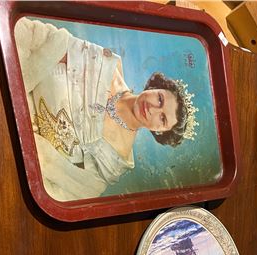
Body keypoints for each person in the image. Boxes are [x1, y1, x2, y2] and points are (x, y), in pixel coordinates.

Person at [14, 17, 199, 201]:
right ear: (155, 87)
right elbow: (42, 39)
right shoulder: (106, 64)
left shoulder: (113, 161)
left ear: (160, 132)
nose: (153, 109)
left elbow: (61, 193)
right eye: (160, 99)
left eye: (162, 118)